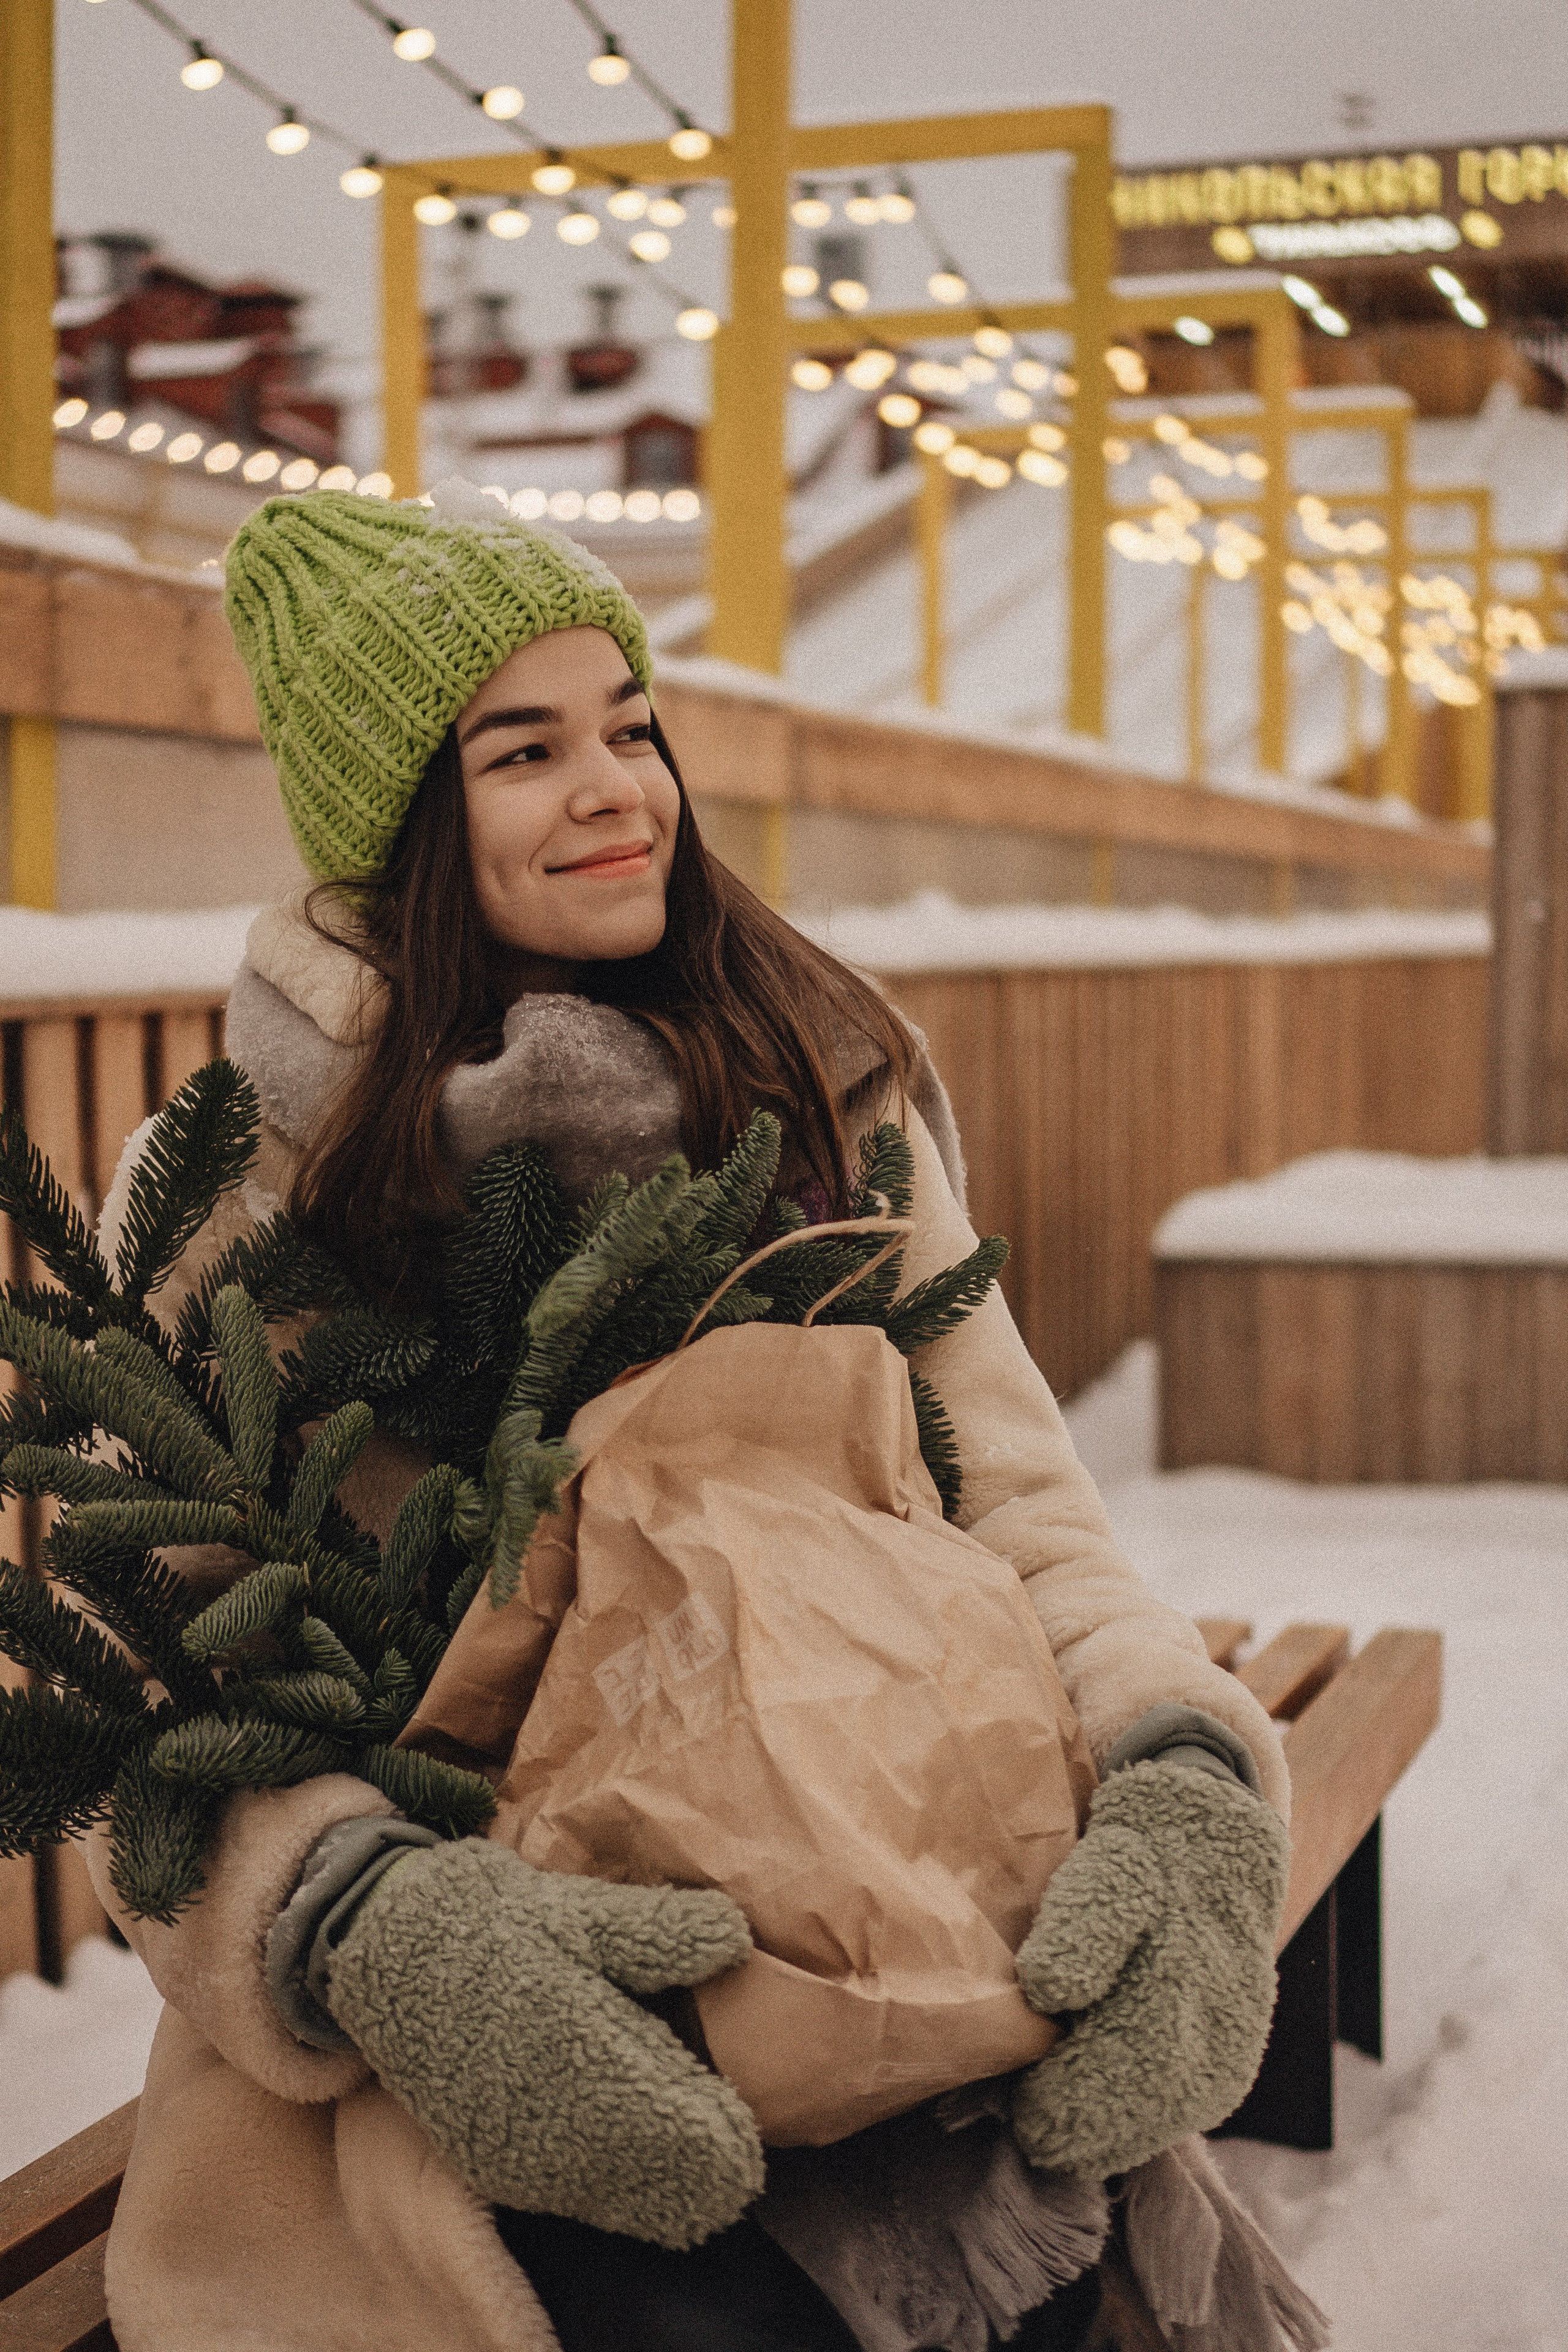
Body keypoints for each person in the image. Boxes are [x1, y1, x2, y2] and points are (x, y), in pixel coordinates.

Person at [88, 482, 1307, 2352]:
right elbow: (161, 1696)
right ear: (403, 817)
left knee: (1030, 2242)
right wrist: (373, 1930)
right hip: (499, 2002)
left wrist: (1185, 1771)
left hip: (889, 1884)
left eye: (631, 727)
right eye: (524, 749)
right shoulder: (239, 1187)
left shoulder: (815, 1079)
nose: (617, 789)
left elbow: (1020, 1510)